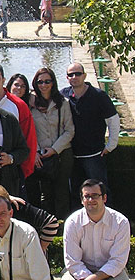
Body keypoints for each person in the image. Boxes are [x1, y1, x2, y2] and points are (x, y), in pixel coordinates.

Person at [60, 179, 131, 280]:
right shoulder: (72, 222)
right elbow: (72, 261)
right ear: (81, 200)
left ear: (104, 198)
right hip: (82, 269)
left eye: (95, 196)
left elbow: (118, 261)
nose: (91, 200)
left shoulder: (120, 222)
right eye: (87, 196)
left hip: (111, 272)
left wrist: (94, 279)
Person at [60, 62, 119, 199]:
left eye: (78, 74)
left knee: (100, 193)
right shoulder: (63, 95)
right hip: (72, 155)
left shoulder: (99, 96)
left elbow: (113, 120)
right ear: (67, 77)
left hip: (94, 155)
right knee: (76, 194)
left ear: (84, 75)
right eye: (71, 74)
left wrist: (111, 145)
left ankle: (107, 220)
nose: (74, 77)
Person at [27, 68, 74, 220]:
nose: (44, 85)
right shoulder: (31, 104)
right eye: (40, 82)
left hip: (61, 154)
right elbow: (28, 131)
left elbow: (69, 131)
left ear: (53, 82)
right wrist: (36, 152)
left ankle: (63, 227)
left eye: (47, 81)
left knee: (62, 192)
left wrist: (54, 149)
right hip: (41, 156)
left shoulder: (63, 103)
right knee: (45, 194)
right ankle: (48, 227)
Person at [0, 62, 37, 181]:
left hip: (13, 172)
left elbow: (29, 139)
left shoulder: (18, 105)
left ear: (3, 80)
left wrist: (24, 171)